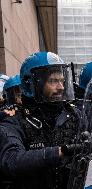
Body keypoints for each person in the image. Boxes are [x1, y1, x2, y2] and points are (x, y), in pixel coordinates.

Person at [0, 52, 81, 189]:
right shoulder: (14, 120)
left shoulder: (73, 114)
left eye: (62, 81)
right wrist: (61, 151)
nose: (61, 87)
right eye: (53, 81)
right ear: (31, 84)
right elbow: (11, 160)